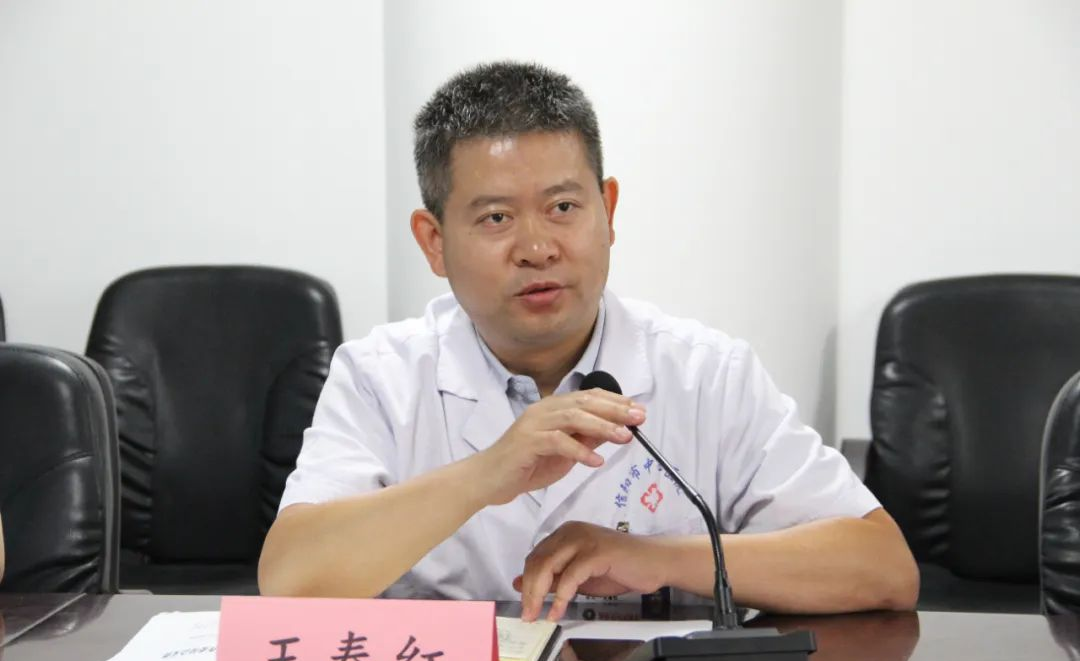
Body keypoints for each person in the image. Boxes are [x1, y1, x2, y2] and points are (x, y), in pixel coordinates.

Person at [258, 61, 918, 620]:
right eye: (496, 217)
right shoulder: (381, 376)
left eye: (564, 208)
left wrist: (658, 559)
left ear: (609, 210)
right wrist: (487, 474)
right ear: (434, 242)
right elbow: (290, 580)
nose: (538, 248)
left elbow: (883, 567)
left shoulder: (704, 372)